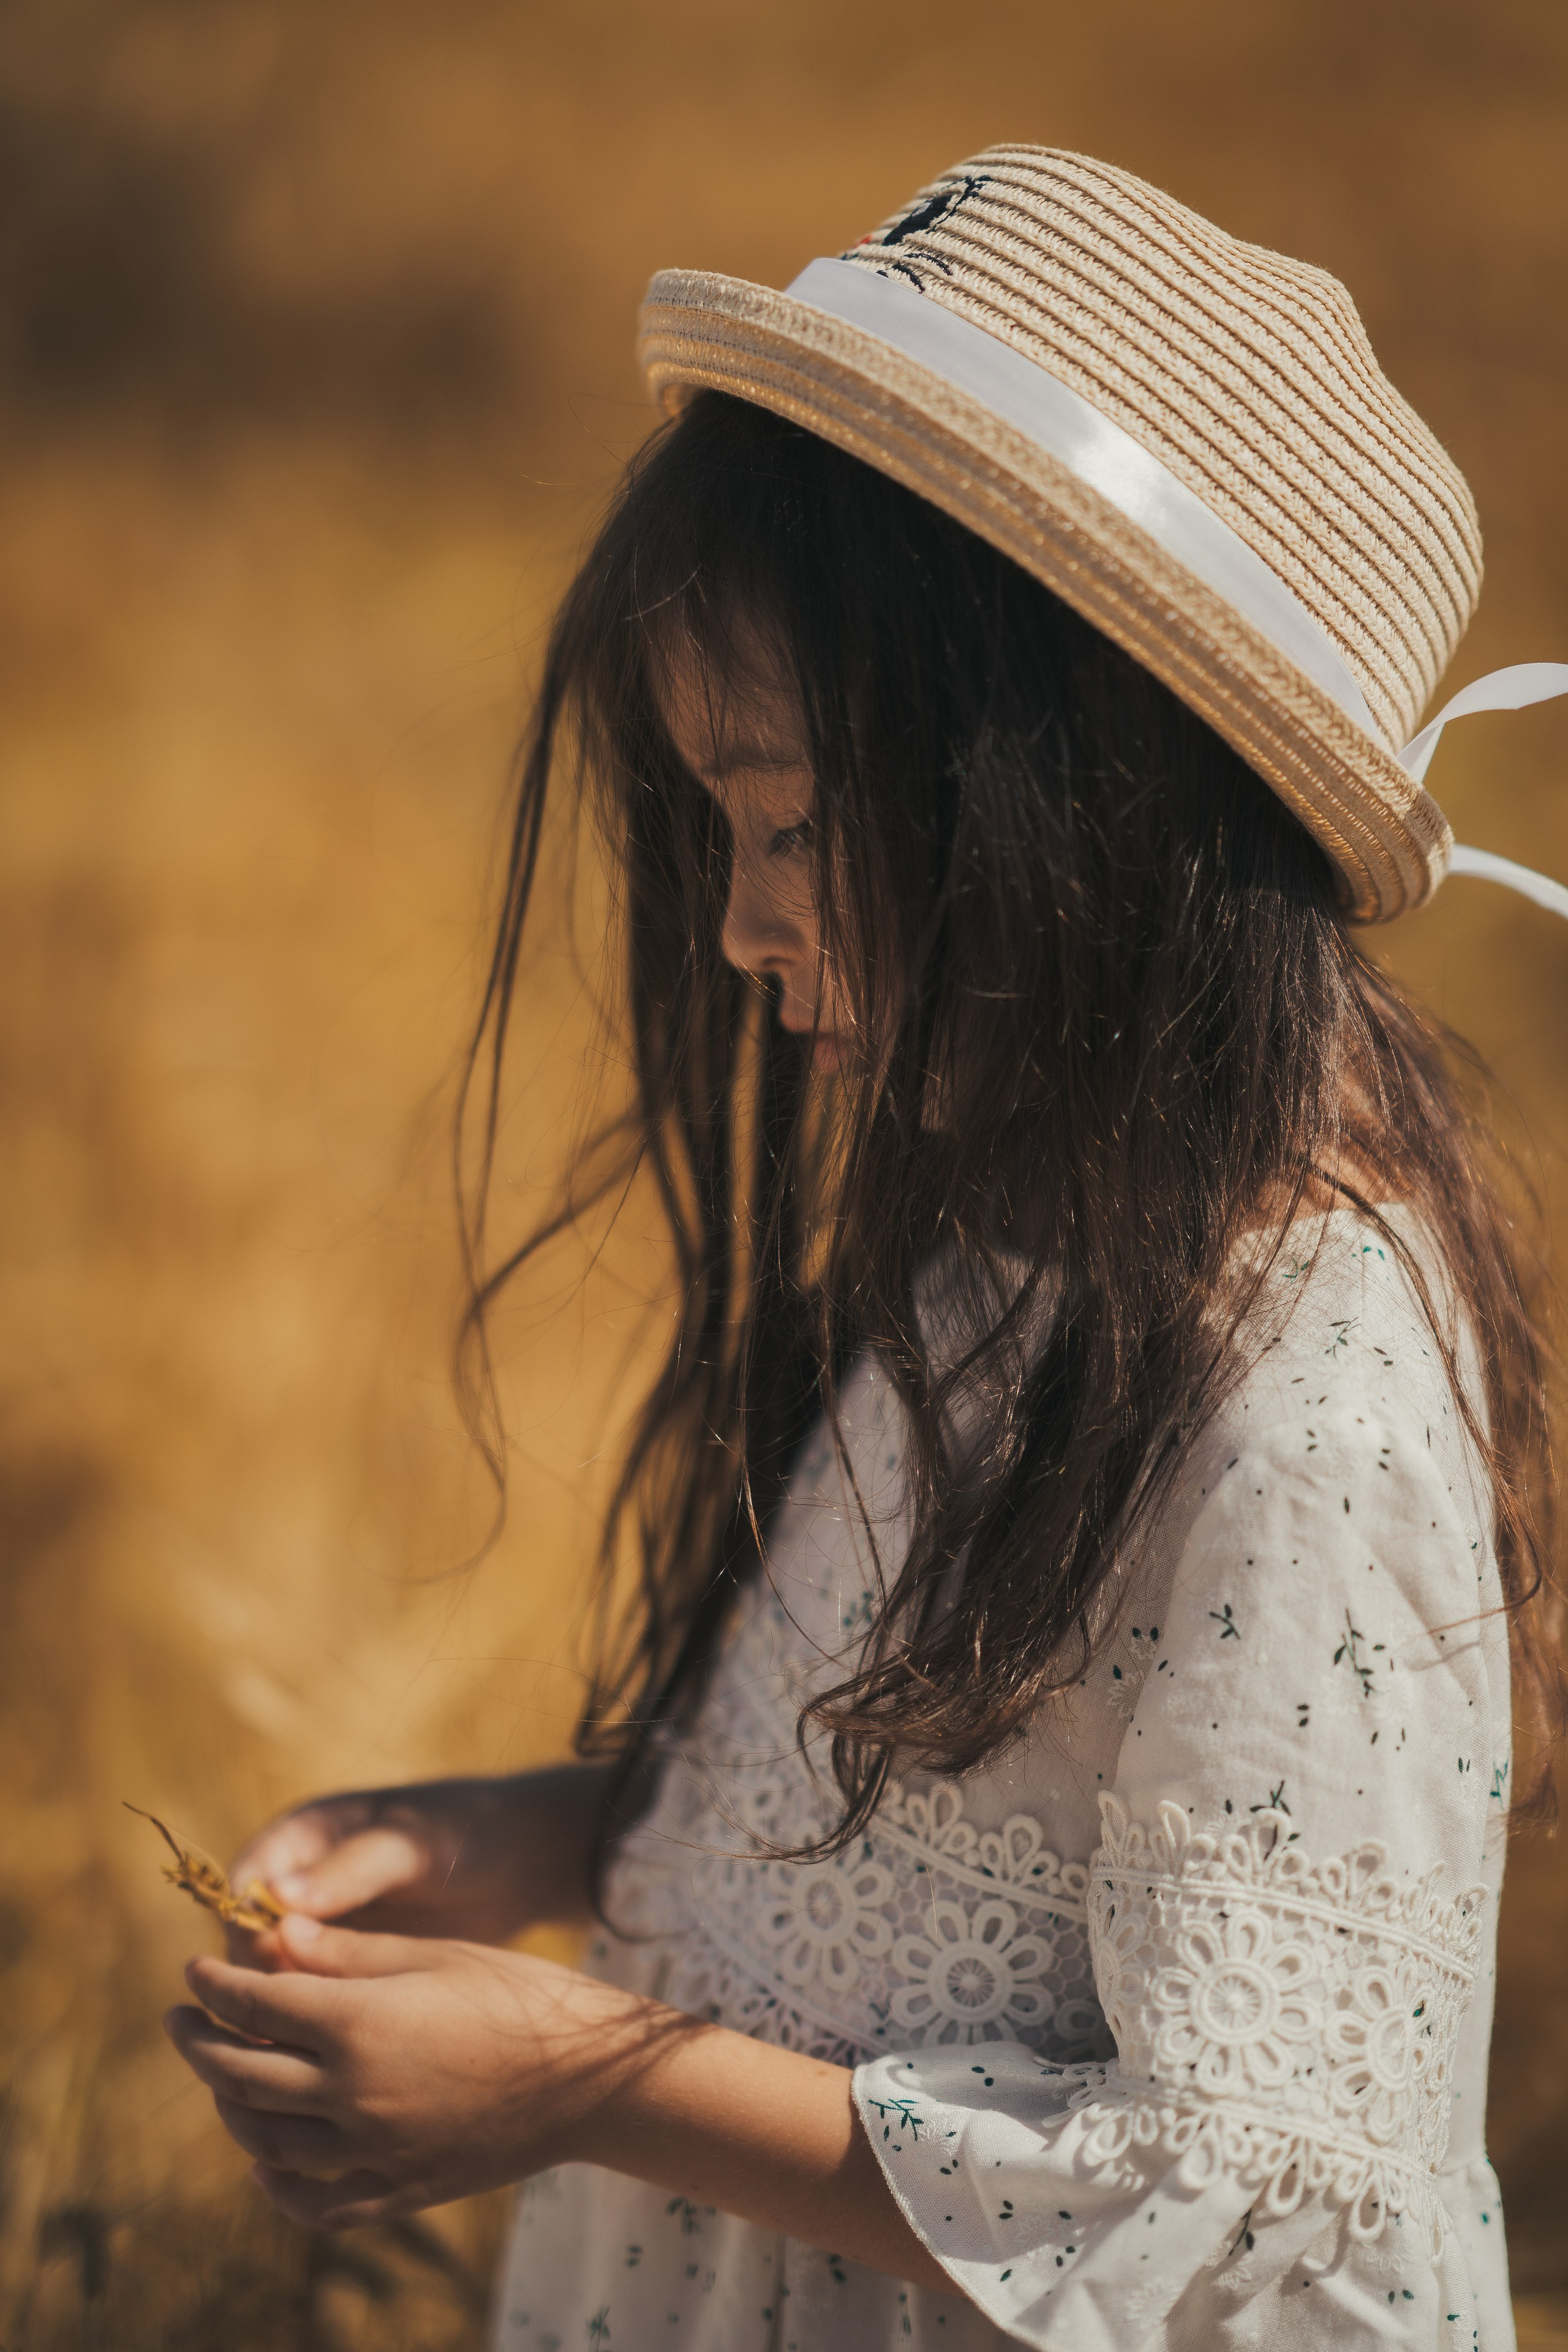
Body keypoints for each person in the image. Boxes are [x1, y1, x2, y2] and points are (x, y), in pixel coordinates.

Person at [164, 149, 1568, 2350]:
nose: (738, 926)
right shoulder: (1011, 1229)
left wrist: (585, 2076)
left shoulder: (1310, 1426)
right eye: (719, 825)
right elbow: (946, 1833)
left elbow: (1241, 2207)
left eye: (795, 820)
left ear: (1085, 795)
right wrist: (552, 1840)